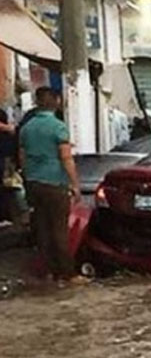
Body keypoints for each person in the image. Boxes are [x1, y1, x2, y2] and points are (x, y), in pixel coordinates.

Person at [18, 87, 82, 283]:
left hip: (34, 183)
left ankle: (46, 272)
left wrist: (29, 178)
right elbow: (66, 157)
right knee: (59, 230)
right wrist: (75, 184)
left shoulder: (26, 128)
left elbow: (22, 157)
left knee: (42, 229)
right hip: (55, 183)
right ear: (56, 101)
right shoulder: (58, 126)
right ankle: (67, 274)